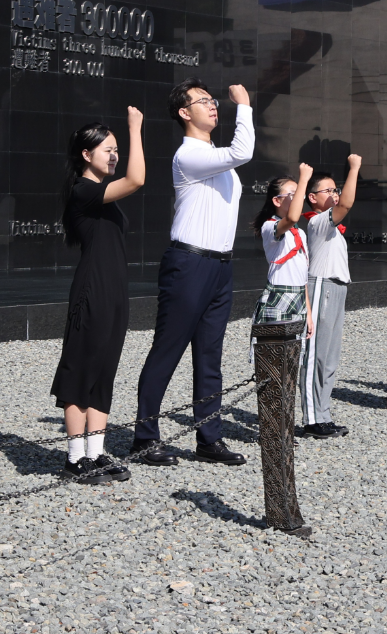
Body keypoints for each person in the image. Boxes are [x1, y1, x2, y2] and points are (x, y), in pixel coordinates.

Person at [131, 79, 254, 466]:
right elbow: (243, 151)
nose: (213, 105)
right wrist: (244, 105)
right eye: (203, 101)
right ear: (184, 113)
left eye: (213, 100)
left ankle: (209, 439)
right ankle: (144, 438)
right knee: (167, 350)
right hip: (189, 264)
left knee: (210, 356)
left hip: (220, 266)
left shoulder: (216, 157)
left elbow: (233, 158)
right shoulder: (189, 155)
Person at [51, 108, 145, 484]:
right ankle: (75, 459)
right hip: (93, 291)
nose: (114, 155)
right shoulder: (84, 191)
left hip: (114, 291)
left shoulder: (103, 197)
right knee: (81, 370)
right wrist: (135, 128)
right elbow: (136, 179)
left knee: (104, 372)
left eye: (117, 149)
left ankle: (95, 453)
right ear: (86, 154)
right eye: (108, 149)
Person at [299, 155, 362, 438]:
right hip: (321, 287)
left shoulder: (330, 225)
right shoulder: (317, 222)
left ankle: (323, 414)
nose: (335, 194)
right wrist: (354, 169)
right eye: (329, 190)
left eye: (336, 189)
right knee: (317, 356)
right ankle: (313, 419)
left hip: (337, 288)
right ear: (312, 198)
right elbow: (346, 205)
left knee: (330, 357)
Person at [251, 167, 314, 358]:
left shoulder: (300, 233)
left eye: (299, 193)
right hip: (277, 298)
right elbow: (292, 217)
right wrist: (304, 180)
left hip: (299, 299)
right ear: (277, 201)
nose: (299, 197)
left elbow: (302, 277)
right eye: (293, 194)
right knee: (273, 360)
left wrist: (308, 312)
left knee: (293, 360)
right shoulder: (269, 226)